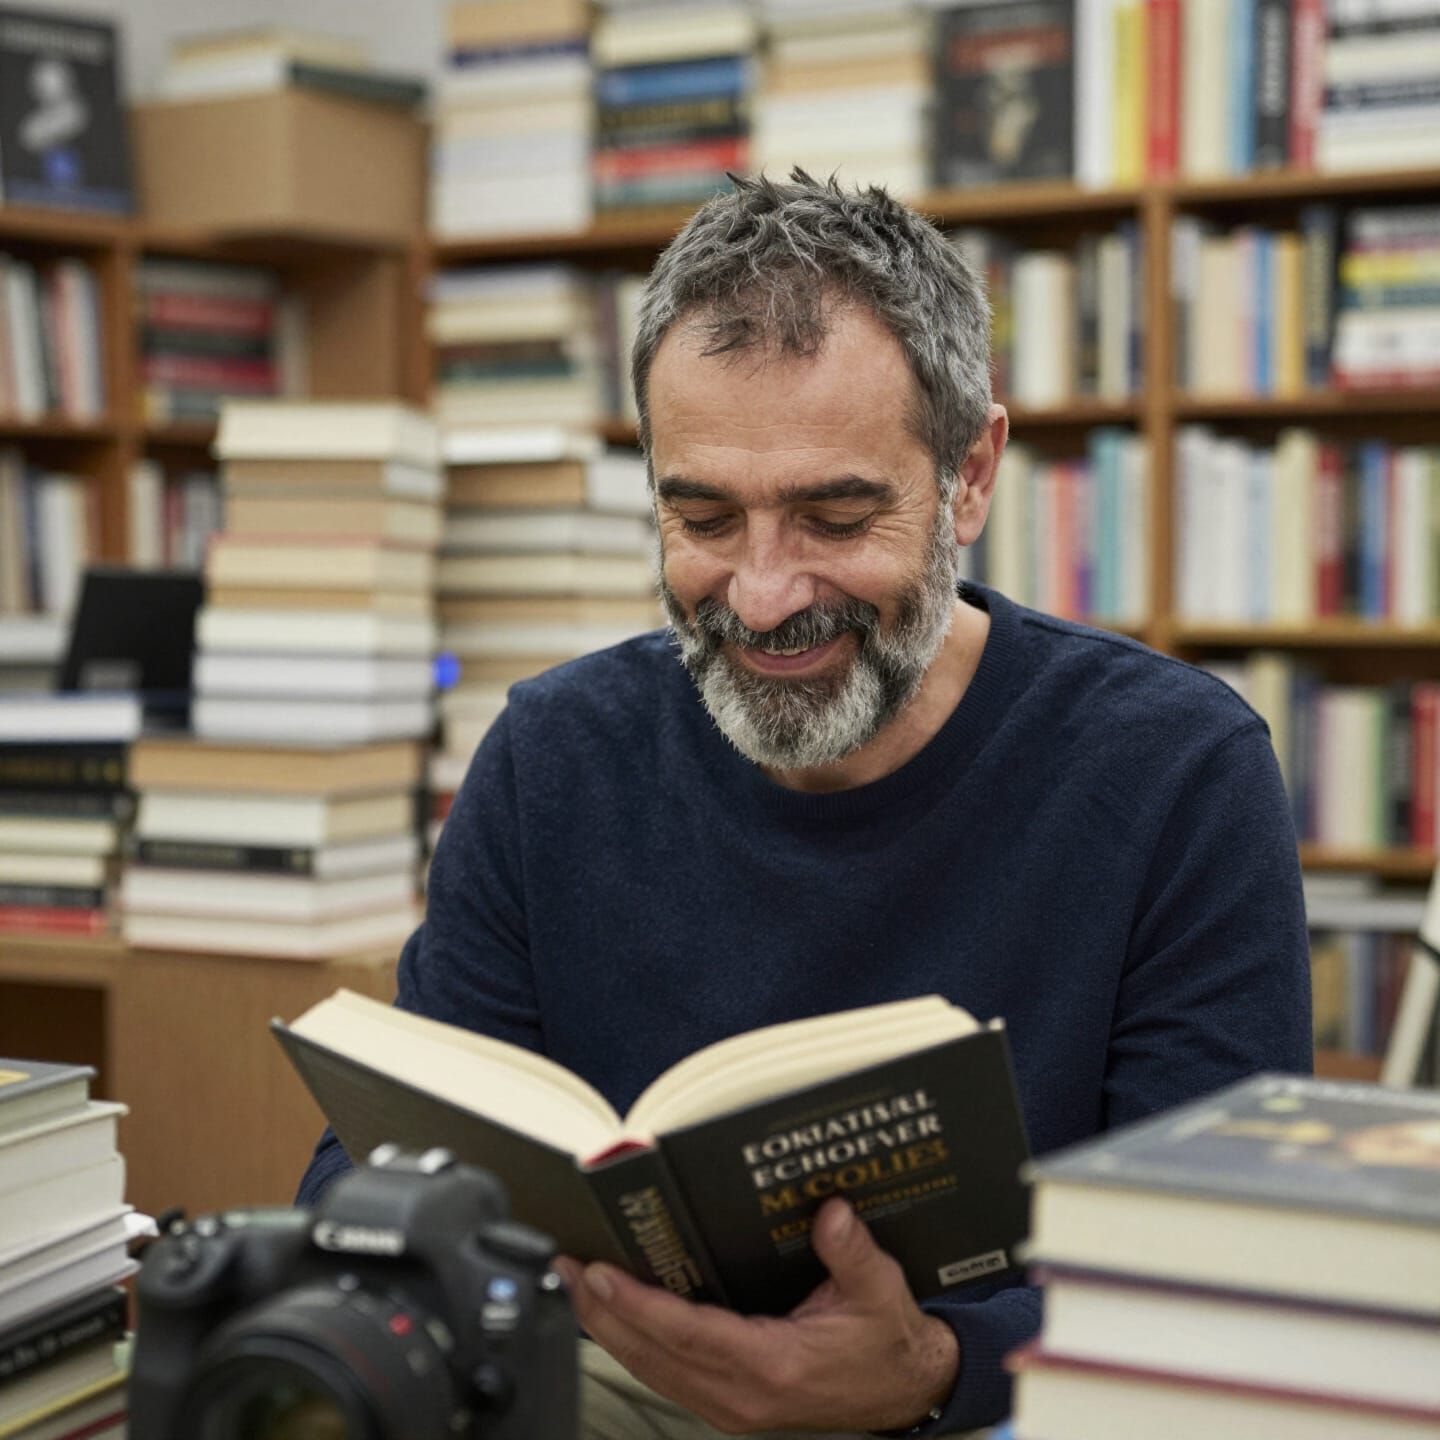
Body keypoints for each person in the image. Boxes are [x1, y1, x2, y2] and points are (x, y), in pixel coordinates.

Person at [298, 171, 1311, 1436]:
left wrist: (937, 1364)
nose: (764, 595)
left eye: (836, 515)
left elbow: (1225, 1271)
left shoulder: (1176, 771)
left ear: (972, 475)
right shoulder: (551, 757)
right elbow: (382, 1161)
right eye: (704, 516)